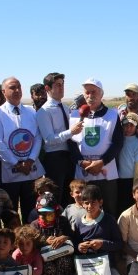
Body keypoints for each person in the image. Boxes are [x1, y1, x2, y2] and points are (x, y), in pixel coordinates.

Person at [0, 76, 45, 222]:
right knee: (11, 213)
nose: (17, 90)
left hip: (31, 171)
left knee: (32, 212)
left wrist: (30, 160)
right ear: (3, 91)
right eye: (12, 87)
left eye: (19, 87)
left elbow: (38, 138)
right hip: (10, 173)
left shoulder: (31, 112)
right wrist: (17, 164)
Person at [67, 78, 123, 216]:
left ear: (101, 94)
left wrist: (102, 162)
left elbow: (118, 143)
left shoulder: (112, 115)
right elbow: (71, 143)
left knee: (108, 210)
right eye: (87, 92)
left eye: (94, 92)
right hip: (83, 172)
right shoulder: (74, 115)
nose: (90, 95)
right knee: (83, 210)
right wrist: (81, 162)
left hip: (106, 172)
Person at [68, 185, 128, 275]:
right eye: (86, 203)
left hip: (106, 267)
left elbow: (119, 244)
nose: (89, 206)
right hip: (85, 267)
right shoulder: (78, 222)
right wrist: (80, 247)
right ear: (81, 203)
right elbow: (74, 245)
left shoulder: (109, 220)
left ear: (100, 202)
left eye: (93, 202)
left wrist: (103, 244)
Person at [36, 72, 83, 207]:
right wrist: (70, 132)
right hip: (54, 158)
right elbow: (49, 139)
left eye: (62, 85)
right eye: (57, 85)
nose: (61, 88)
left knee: (70, 197)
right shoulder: (44, 112)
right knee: (56, 197)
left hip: (69, 157)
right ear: (47, 88)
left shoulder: (66, 108)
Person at [32, 192, 74, 275]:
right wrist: (44, 240)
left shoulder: (62, 221)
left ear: (56, 211)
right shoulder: (34, 225)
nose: (46, 215)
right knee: (49, 266)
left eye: (49, 213)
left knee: (64, 262)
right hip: (43, 256)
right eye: (42, 213)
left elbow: (72, 236)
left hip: (62, 253)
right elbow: (32, 242)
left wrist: (64, 237)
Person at [116, 113, 138, 215]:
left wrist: (136, 183)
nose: (128, 128)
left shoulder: (137, 143)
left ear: (137, 128)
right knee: (120, 205)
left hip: (130, 180)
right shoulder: (119, 140)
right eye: (125, 125)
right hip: (118, 178)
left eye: (131, 125)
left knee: (129, 206)